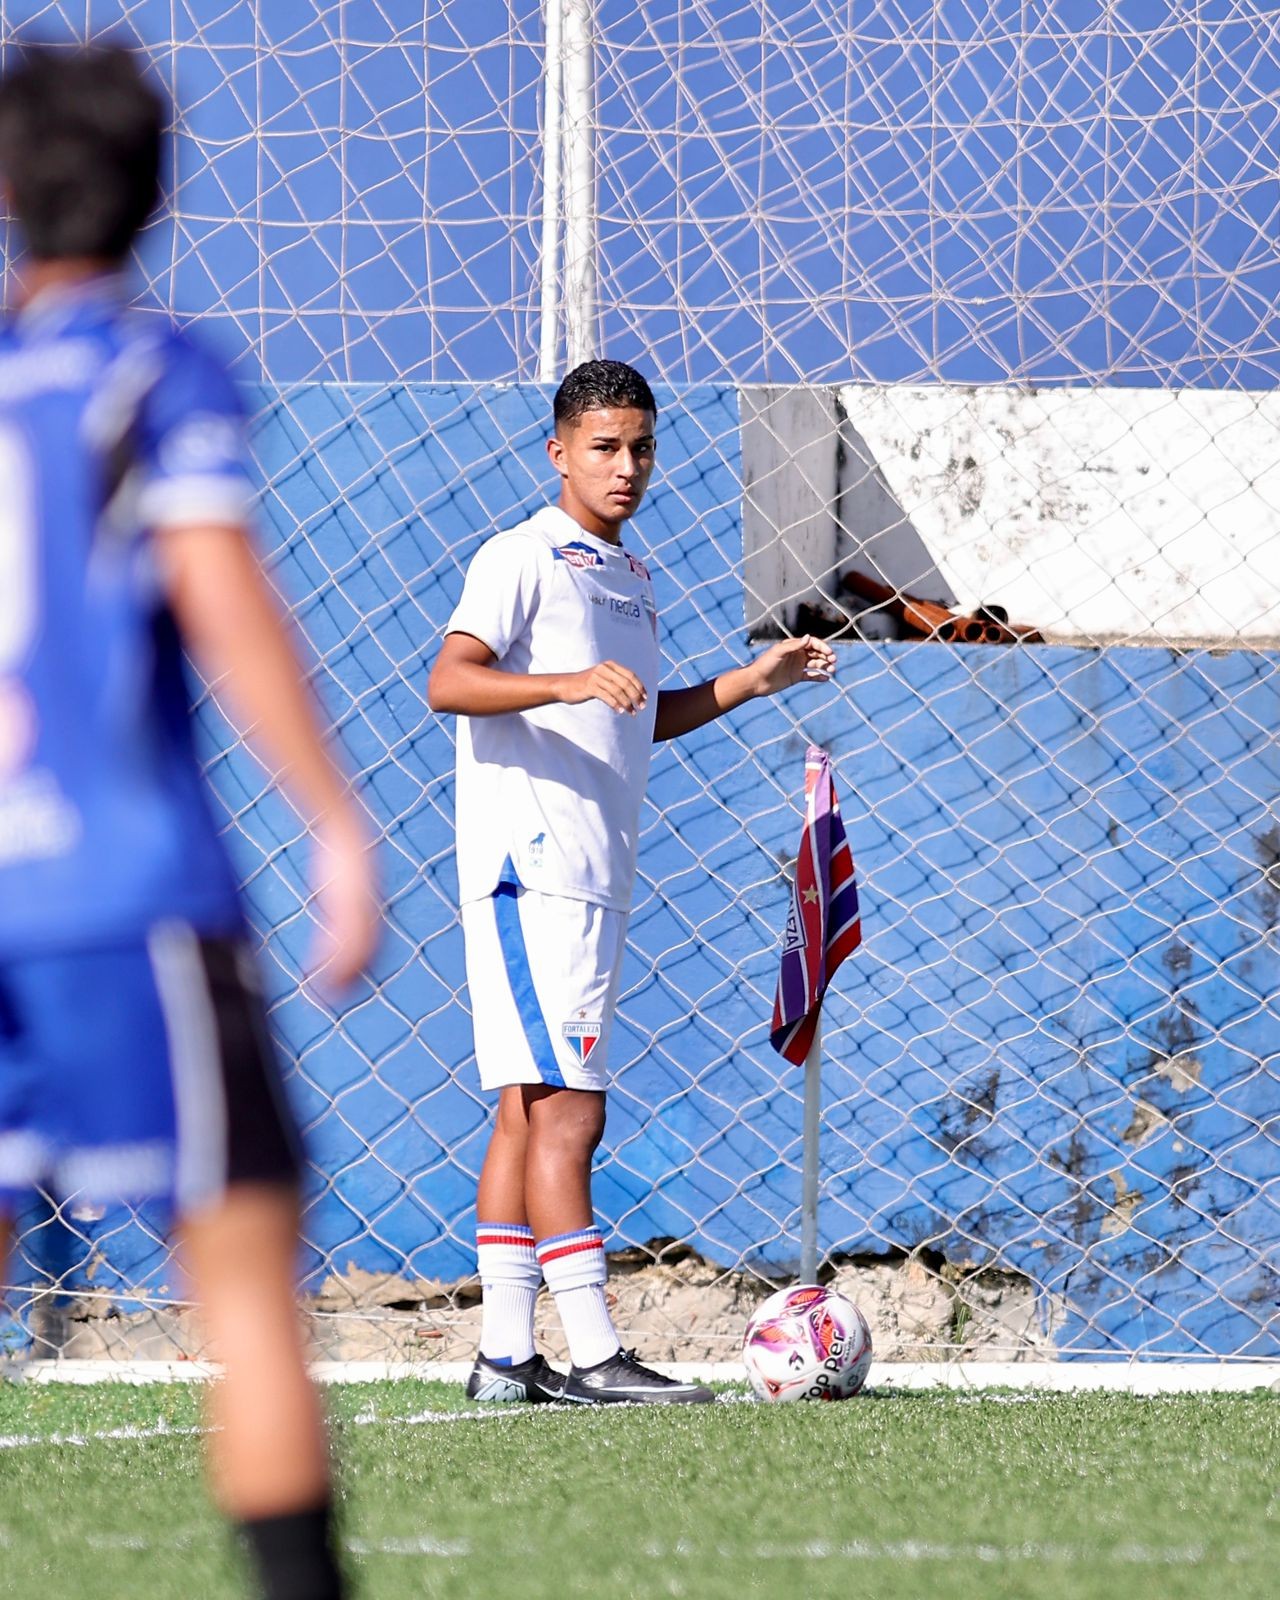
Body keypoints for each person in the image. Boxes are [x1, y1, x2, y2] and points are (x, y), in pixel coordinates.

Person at [0, 45, 378, 1600]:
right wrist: (336, 821)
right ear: (161, 193)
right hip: (128, 894)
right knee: (238, 1282)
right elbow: (216, 586)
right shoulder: (157, 371)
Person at [428, 359, 835, 1404]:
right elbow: (451, 678)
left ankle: (506, 1361)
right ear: (558, 450)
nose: (625, 466)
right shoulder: (520, 556)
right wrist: (565, 680)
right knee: (569, 1113)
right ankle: (597, 1351)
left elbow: (636, 712)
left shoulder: (630, 576)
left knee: (526, 1113)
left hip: (595, 874)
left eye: (641, 447)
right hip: (532, 871)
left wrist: (753, 679)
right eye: (603, 447)